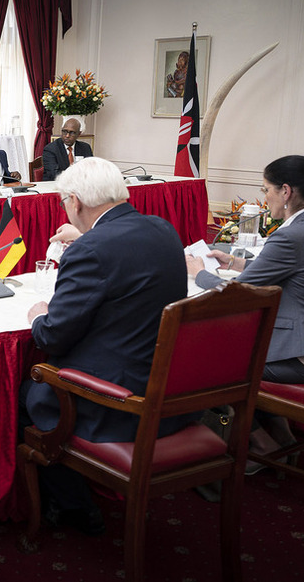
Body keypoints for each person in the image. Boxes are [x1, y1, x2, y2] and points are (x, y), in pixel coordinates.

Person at [22, 157, 190, 534]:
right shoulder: (162, 229)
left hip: (115, 402)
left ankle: (74, 509)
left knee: (28, 393)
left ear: (74, 202)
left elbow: (51, 336)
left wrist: (37, 314)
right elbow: (125, 253)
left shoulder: (90, 251)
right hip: (170, 392)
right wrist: (86, 240)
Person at [187, 155, 304, 384]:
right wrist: (234, 262)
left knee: (206, 360)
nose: (265, 197)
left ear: (286, 191)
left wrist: (199, 273)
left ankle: (230, 419)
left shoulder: (291, 235)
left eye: (266, 189)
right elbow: (296, 271)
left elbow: (239, 292)